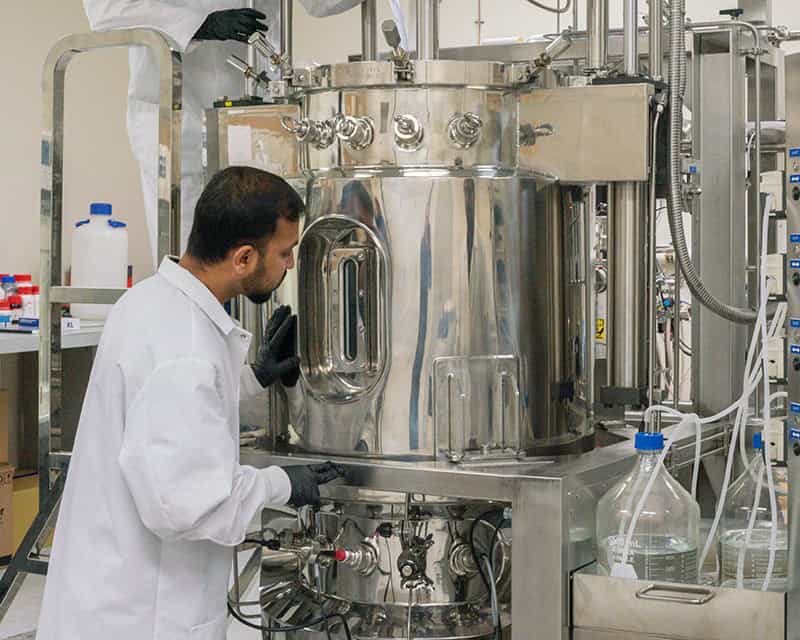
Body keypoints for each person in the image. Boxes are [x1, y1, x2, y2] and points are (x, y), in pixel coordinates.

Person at [36, 166, 342, 640]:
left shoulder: (146, 302)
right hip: (143, 615)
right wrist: (281, 484)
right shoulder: (187, 350)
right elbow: (189, 506)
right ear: (243, 257)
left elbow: (166, 413)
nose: (290, 265)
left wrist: (253, 379)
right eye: (285, 252)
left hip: (108, 594)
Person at [83, 0, 363, 266]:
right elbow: (106, 9)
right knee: (189, 262)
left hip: (259, 117)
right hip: (180, 118)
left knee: (264, 260)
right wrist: (199, 25)